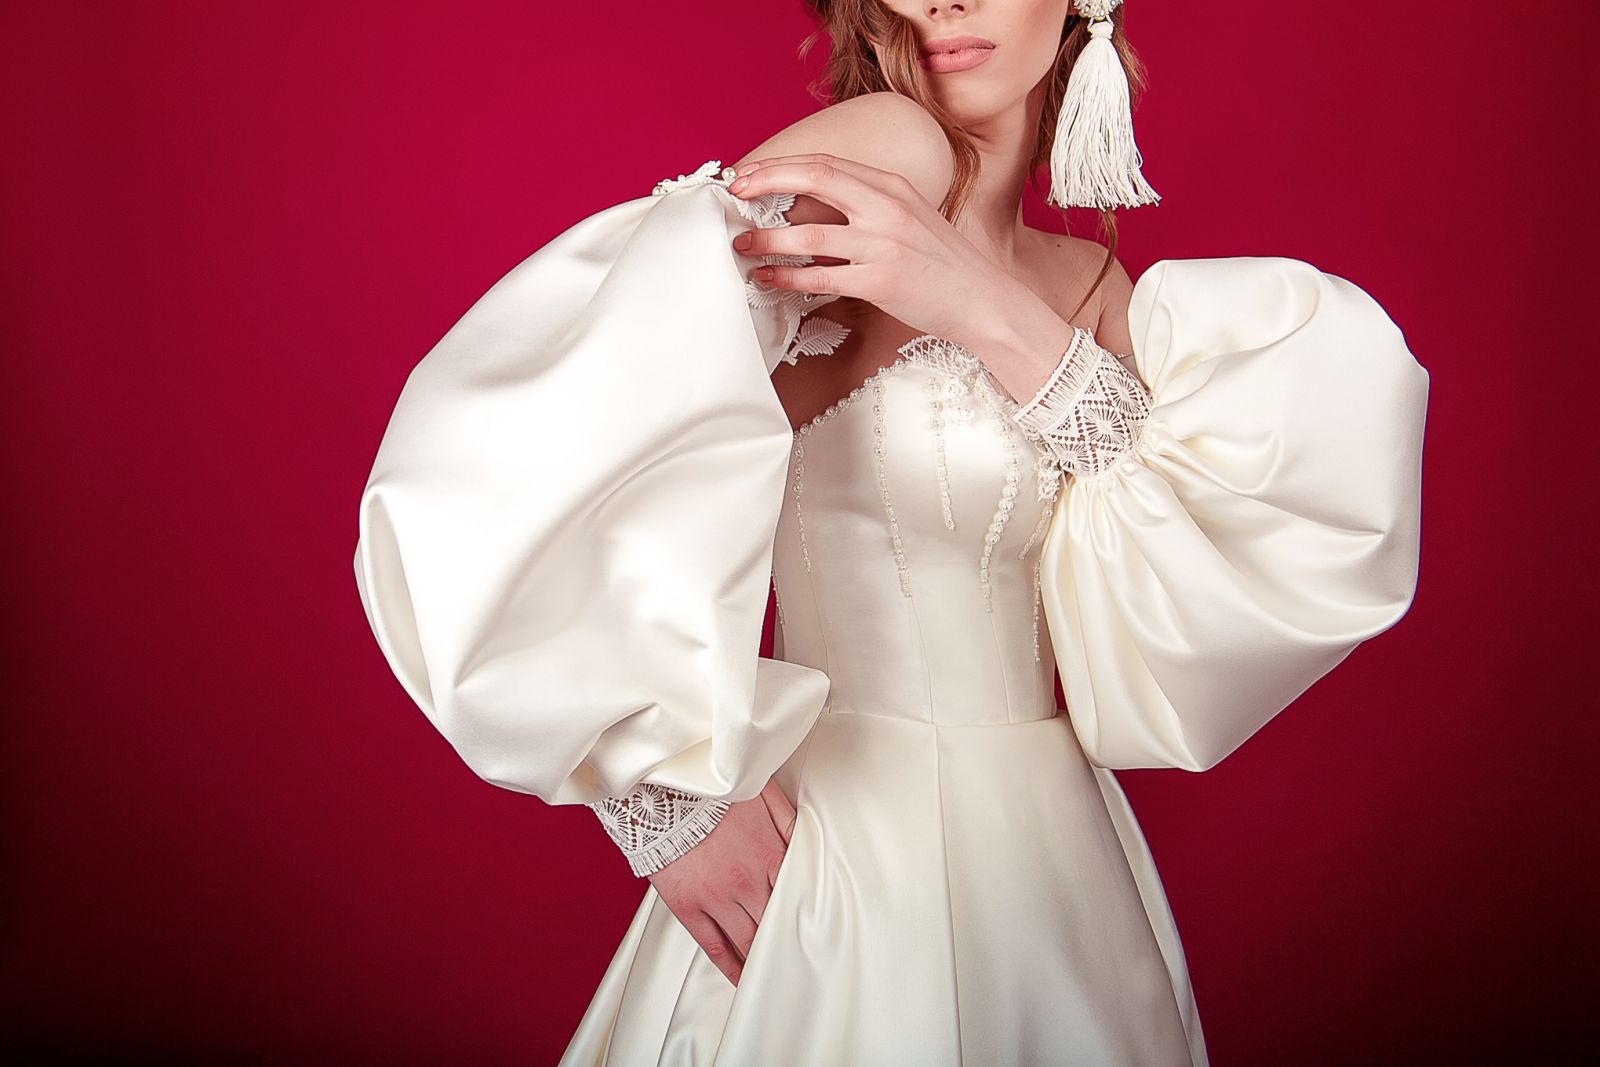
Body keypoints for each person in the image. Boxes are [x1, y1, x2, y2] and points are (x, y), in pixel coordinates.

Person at [351, 2, 1430, 1063]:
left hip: (1055, 861)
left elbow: (1196, 583)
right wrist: (661, 796)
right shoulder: (881, 152)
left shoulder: (1097, 284)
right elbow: (534, 436)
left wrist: (976, 303)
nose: (945, 1)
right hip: (835, 854)